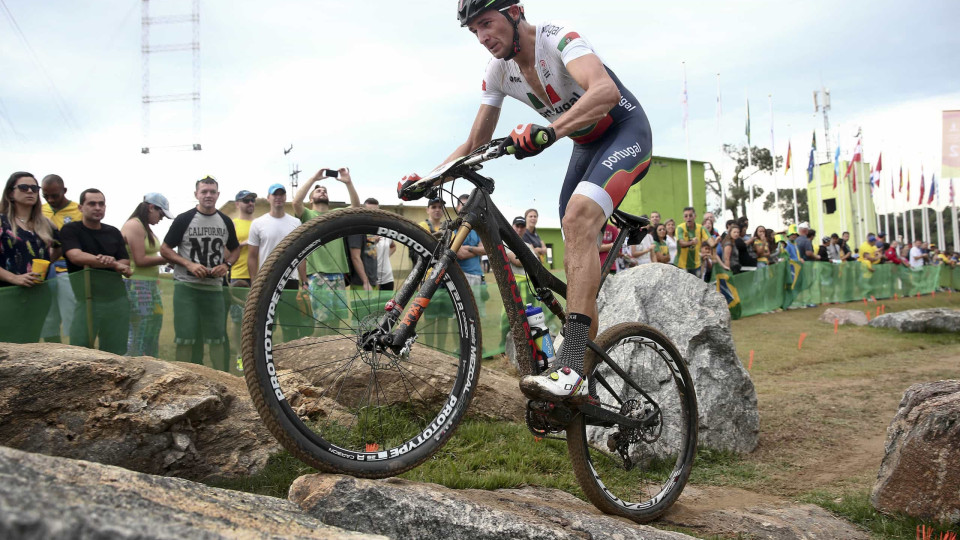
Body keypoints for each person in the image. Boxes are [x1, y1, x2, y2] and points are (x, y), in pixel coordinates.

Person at [400, 0, 654, 400]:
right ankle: (579, 382)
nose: (483, 37)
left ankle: (569, 362)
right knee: (573, 238)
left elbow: (604, 91)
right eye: (474, 31)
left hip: (624, 130)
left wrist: (550, 132)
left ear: (515, 13)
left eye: (487, 23)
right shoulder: (498, 71)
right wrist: (428, 179)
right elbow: (475, 143)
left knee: (576, 219)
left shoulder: (557, 37)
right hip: (585, 143)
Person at [161, 176, 239, 369]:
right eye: (204, 191)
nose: (208, 195)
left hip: (213, 289)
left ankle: (222, 380)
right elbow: (165, 249)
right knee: (184, 338)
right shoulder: (184, 219)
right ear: (196, 194)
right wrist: (188, 264)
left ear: (218, 194)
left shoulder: (225, 221)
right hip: (186, 287)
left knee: (217, 338)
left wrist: (226, 265)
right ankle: (180, 381)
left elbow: (235, 249)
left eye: (212, 192)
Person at [60, 189, 131, 354]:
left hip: (116, 300)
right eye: (92, 203)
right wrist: (111, 264)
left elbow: (125, 261)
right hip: (87, 301)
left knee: (116, 353)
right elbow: (75, 256)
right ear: (80, 207)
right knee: (80, 352)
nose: (97, 207)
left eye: (101, 204)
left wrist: (111, 262)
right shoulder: (71, 230)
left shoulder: (113, 232)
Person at [293, 168, 359, 322]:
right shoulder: (308, 215)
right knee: (322, 323)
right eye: (318, 191)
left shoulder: (336, 214)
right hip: (317, 275)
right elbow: (296, 202)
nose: (322, 192)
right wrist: (314, 179)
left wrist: (348, 182)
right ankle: (314, 347)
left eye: (324, 191)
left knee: (339, 322)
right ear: (310, 200)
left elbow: (356, 207)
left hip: (338, 273)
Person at [0, 172, 59, 343]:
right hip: (7, 296)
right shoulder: (2, 222)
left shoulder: (45, 223)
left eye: (34, 188)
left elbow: (61, 246)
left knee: (29, 345)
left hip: (37, 297)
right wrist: (15, 278)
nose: (30, 192)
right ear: (11, 193)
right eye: (24, 187)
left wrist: (47, 263)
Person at [248, 183, 311, 341]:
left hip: (290, 281)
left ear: (285, 197)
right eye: (275, 194)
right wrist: (254, 283)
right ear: (268, 198)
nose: (278, 197)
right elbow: (252, 256)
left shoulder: (295, 223)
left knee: (290, 326)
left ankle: (288, 362)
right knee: (264, 327)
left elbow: (301, 255)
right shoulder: (258, 223)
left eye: (281, 194)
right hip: (266, 281)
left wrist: (304, 282)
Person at [120, 193, 173, 357]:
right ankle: (133, 362)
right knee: (139, 328)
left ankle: (150, 362)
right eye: (161, 214)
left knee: (153, 324)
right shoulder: (134, 226)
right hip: (137, 284)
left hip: (150, 284)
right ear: (151, 208)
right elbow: (140, 260)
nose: (161, 218)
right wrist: (167, 259)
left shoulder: (144, 227)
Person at [39, 173, 82, 343]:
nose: (50, 199)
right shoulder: (40, 211)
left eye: (54, 195)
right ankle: (52, 352)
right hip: (44, 268)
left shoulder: (78, 211)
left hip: (69, 267)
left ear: (64, 190)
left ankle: (76, 350)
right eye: (45, 196)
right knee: (48, 314)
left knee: (71, 310)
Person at [365, 198, 396, 290]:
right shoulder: (362, 231)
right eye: (370, 211)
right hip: (370, 278)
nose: (373, 214)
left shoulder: (385, 230)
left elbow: (393, 246)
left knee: (388, 304)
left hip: (388, 278)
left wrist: (385, 256)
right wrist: (371, 243)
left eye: (376, 211)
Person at [455, 194, 486, 286]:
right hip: (461, 276)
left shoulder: (476, 229)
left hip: (478, 275)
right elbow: (460, 254)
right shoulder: (453, 229)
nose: (466, 208)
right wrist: (477, 249)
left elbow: (485, 250)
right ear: (457, 208)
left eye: (469, 206)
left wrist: (468, 248)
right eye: (463, 205)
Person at [229, 190, 257, 287]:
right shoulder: (232, 224)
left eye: (252, 200)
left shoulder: (260, 224)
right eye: (246, 201)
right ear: (237, 204)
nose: (250, 203)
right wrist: (242, 244)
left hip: (259, 275)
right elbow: (226, 251)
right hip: (239, 274)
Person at [675, 207, 710, 276]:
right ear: (683, 218)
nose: (688, 218)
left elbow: (710, 241)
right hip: (682, 264)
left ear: (695, 216)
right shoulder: (680, 228)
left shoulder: (701, 228)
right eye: (686, 216)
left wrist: (715, 242)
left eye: (690, 215)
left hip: (696, 265)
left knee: (697, 285)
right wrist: (692, 242)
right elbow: (681, 243)